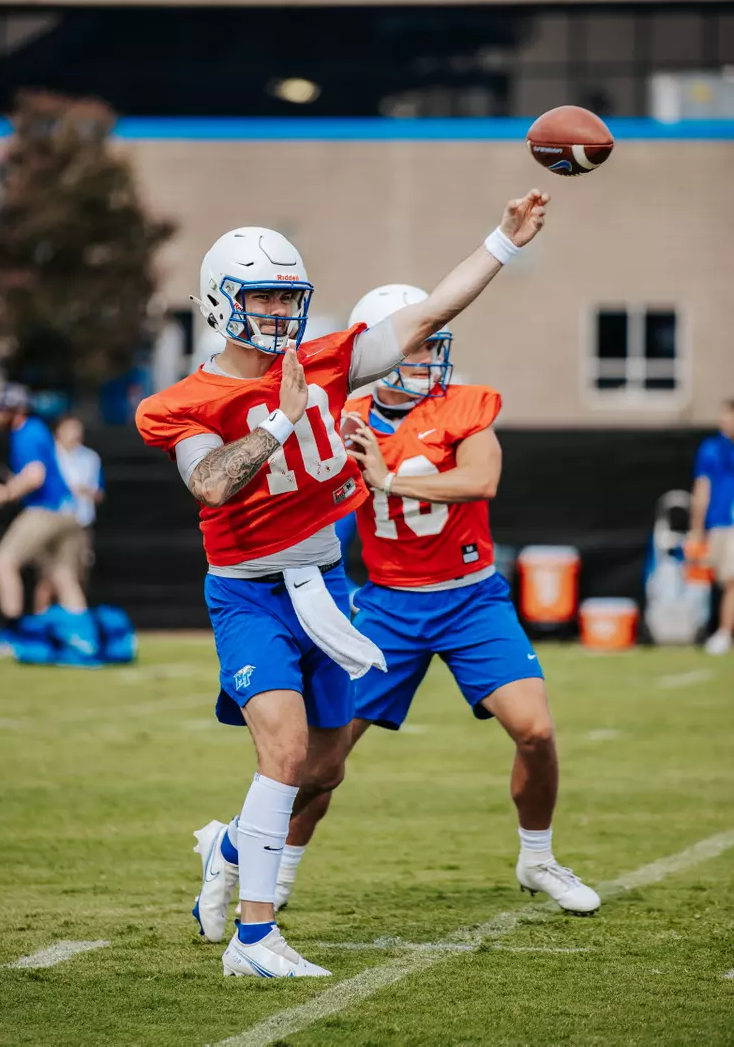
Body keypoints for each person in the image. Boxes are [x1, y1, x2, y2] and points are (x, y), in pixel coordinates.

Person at [135, 190, 549, 978]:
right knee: (284, 753)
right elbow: (213, 486)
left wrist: (503, 238)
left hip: (323, 587)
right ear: (222, 300)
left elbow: (428, 314)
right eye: (261, 296)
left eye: (288, 297)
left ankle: (227, 845)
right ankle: (253, 941)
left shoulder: (321, 361)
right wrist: (280, 422)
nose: (277, 313)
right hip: (249, 592)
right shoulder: (180, 403)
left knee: (323, 768)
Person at [222, 283, 601, 921]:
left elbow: (485, 479)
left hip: (470, 599)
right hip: (389, 606)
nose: (429, 359)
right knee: (322, 763)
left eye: (432, 346)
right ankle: (277, 869)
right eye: (417, 346)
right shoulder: (343, 416)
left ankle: (537, 857)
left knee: (535, 730)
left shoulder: (464, 407)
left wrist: (388, 477)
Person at [0, 386, 88, 655]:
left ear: (14, 411)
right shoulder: (38, 429)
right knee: (63, 576)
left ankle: (12, 633)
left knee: (2, 562)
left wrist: (5, 493)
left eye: (1, 410)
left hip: (46, 510)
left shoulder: (25, 432)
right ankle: (85, 640)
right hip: (68, 511)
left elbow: (35, 475)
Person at [34, 416, 105, 614]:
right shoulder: (48, 454)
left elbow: (99, 492)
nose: (75, 434)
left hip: (80, 525)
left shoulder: (90, 458)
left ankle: (71, 626)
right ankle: (42, 624)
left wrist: (85, 491)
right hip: (51, 522)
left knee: (78, 576)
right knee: (49, 578)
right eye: (69, 429)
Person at [689, 399, 734, 655]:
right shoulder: (711, 448)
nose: (724, 421)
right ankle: (710, 629)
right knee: (714, 579)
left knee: (731, 580)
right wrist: (697, 528)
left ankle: (724, 633)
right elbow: (702, 488)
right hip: (717, 523)